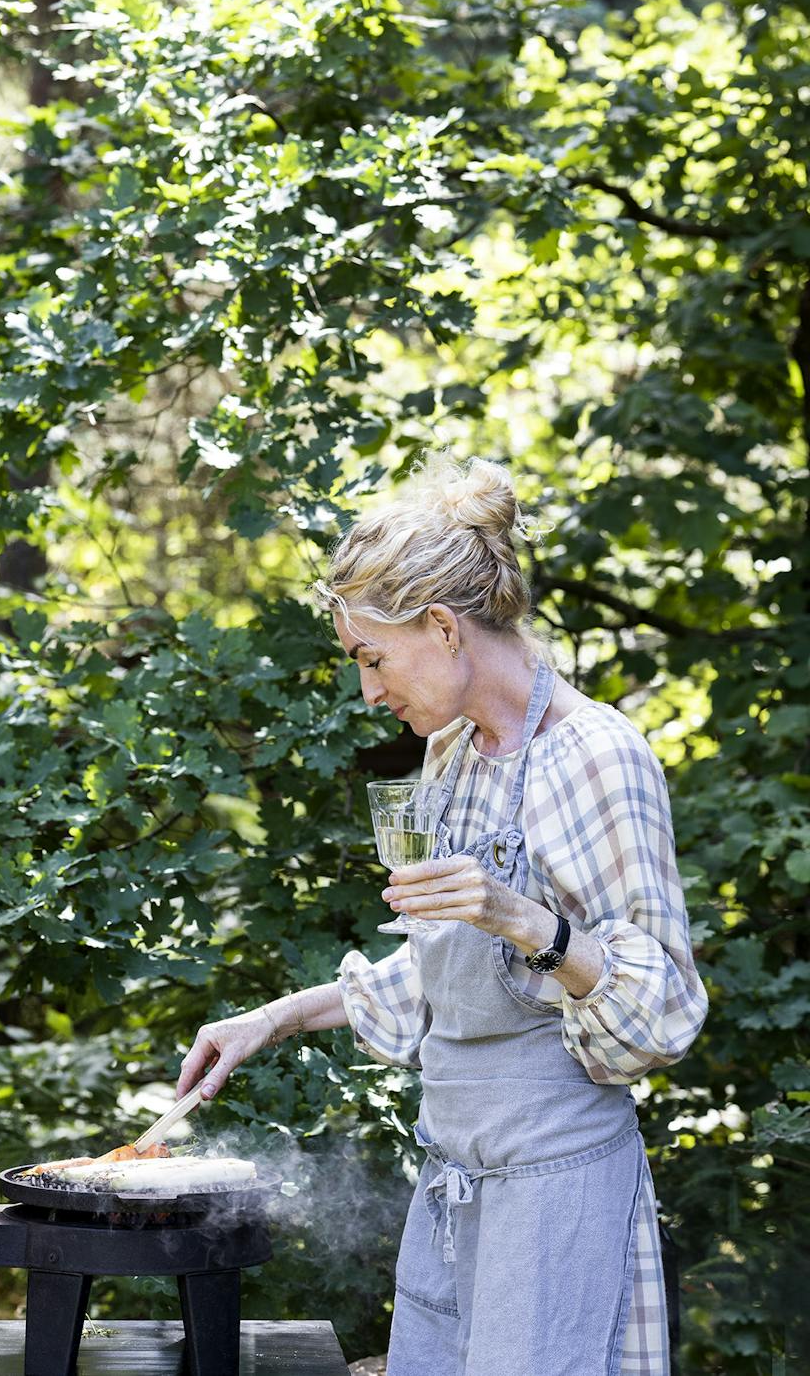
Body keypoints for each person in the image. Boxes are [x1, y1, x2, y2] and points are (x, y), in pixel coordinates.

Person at [176, 450, 708, 1376]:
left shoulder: (598, 757)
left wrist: (527, 921)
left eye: (372, 657)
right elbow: (444, 970)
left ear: (441, 625)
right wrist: (275, 1018)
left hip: (555, 1194)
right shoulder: (451, 753)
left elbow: (661, 1013)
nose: (369, 690)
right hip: (454, 1182)